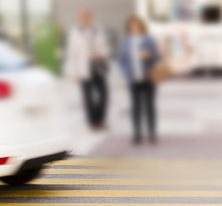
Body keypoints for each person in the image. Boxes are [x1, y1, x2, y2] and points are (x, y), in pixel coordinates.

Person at [117, 15, 161, 144]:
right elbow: (121, 61)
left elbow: (156, 57)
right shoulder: (126, 42)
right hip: (133, 79)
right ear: (129, 27)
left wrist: (148, 56)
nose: (134, 28)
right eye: (132, 26)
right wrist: (126, 73)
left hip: (148, 78)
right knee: (135, 107)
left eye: (137, 25)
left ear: (141, 26)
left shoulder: (149, 40)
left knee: (149, 107)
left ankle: (152, 133)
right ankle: (137, 134)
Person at [63, 9, 109, 130]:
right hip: (84, 67)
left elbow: (104, 46)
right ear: (79, 18)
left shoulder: (97, 29)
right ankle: (93, 122)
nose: (85, 18)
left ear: (90, 17)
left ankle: (100, 119)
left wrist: (102, 54)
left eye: (86, 16)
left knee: (104, 94)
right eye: (82, 17)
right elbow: (72, 53)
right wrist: (73, 72)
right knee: (88, 97)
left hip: (97, 65)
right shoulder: (75, 32)